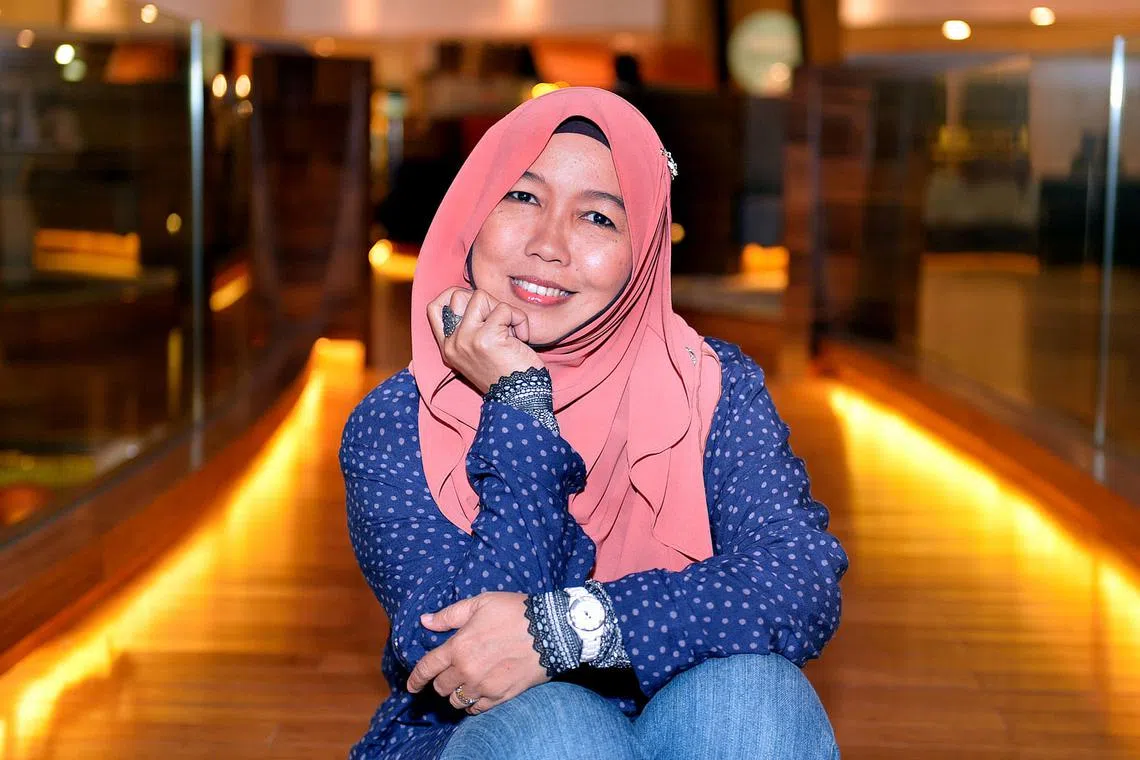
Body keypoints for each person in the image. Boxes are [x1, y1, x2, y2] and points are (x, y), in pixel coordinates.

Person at [340, 86, 848, 760]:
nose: (549, 244)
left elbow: (798, 576)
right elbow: (462, 656)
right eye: (522, 197)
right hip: (477, 735)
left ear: (644, 251)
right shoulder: (398, 421)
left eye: (599, 217)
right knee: (557, 730)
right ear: (473, 211)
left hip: (685, 710)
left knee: (758, 701)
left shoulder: (711, 385)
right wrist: (520, 407)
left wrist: (569, 630)